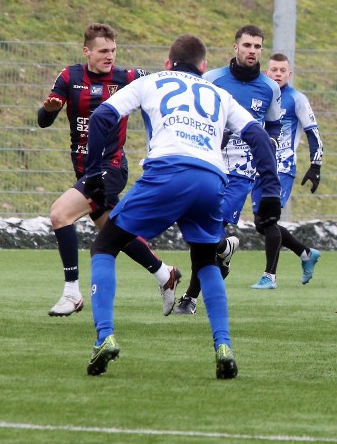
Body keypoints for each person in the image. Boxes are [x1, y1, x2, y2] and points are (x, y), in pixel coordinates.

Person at [83, 34, 281, 378]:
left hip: (168, 171)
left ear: (167, 63)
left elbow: (102, 116)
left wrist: (95, 174)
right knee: (205, 259)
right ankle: (223, 346)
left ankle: (105, 337)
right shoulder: (220, 93)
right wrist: (269, 194)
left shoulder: (151, 81)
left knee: (105, 244)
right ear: (204, 68)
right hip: (211, 179)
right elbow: (260, 138)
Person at [38, 23, 180, 318]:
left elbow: (165, 88)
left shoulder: (129, 78)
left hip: (110, 167)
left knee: (60, 214)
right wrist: (49, 110)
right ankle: (165, 274)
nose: (110, 56)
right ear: (86, 51)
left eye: (113, 50)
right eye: (103, 51)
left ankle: (71, 293)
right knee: (113, 231)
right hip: (84, 169)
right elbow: (42, 120)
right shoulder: (69, 76)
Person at [174, 25, 282, 313]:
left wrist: (269, 140)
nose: (252, 51)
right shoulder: (212, 79)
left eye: (258, 47)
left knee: (210, 228)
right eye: (247, 45)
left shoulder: (269, 87)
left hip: (242, 171)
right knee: (199, 229)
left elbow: (274, 124)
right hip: (210, 162)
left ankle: (190, 298)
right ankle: (224, 251)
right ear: (235, 48)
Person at [251, 52, 324, 287]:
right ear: (266, 72)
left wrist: (315, 165)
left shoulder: (297, 99)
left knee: (269, 221)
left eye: (283, 70)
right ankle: (305, 253)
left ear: (289, 74)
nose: (278, 74)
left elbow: (313, 131)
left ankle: (269, 276)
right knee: (261, 223)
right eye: (274, 70)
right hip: (258, 167)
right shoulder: (259, 95)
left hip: (282, 168)